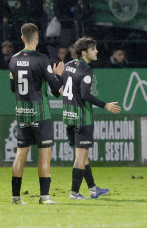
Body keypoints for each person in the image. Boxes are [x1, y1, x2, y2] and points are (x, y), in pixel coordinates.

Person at [9, 22, 64, 205]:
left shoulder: (13, 60)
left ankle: (16, 197)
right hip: (41, 113)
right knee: (44, 154)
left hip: (22, 113)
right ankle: (44, 196)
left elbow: (12, 87)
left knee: (20, 154)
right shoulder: (42, 60)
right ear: (38, 38)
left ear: (22, 37)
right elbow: (56, 88)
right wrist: (58, 75)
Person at [62, 37, 121, 200]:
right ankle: (74, 193)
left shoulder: (67, 66)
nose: (96, 51)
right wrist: (106, 105)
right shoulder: (86, 69)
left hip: (69, 117)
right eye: (93, 48)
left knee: (83, 157)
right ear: (83, 52)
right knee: (80, 159)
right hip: (82, 118)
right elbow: (85, 94)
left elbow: (59, 90)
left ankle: (94, 189)